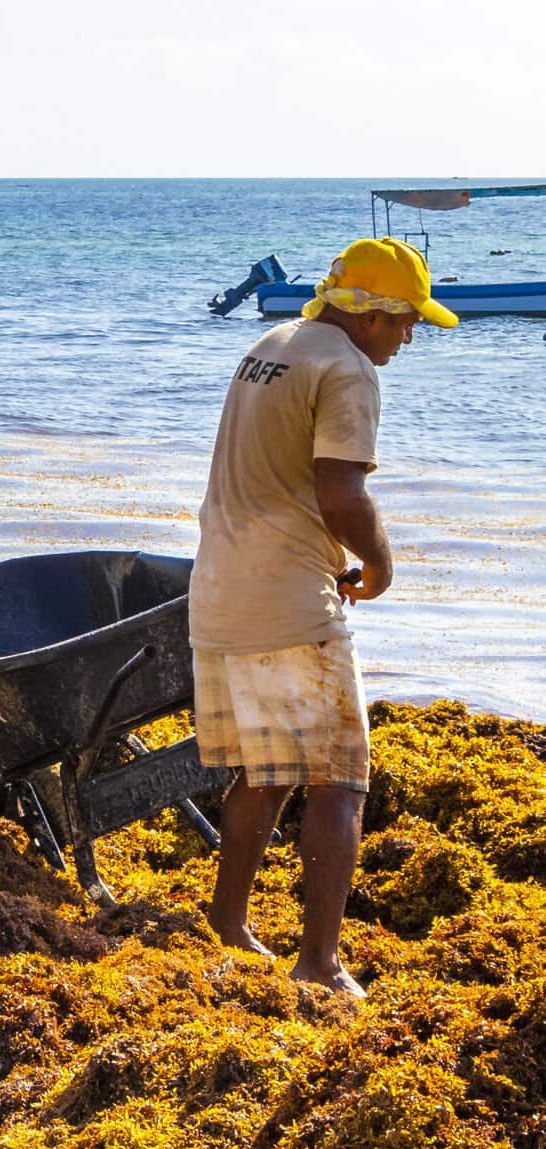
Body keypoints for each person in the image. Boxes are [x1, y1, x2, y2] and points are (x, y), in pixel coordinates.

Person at [188, 237, 457, 996]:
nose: (409, 337)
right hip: (290, 601)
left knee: (267, 772)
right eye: (407, 322)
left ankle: (230, 924)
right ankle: (320, 962)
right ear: (372, 315)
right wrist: (380, 563)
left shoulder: (272, 343)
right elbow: (342, 497)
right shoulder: (348, 368)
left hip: (220, 588)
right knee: (340, 781)